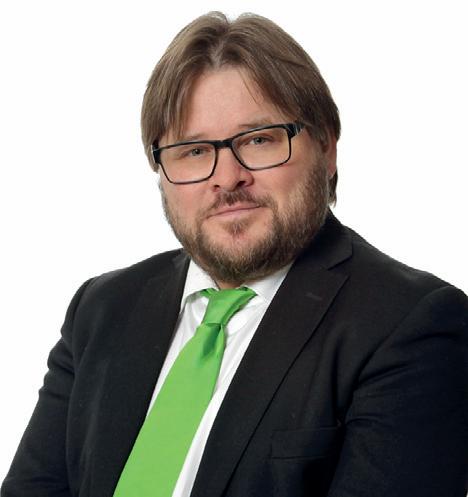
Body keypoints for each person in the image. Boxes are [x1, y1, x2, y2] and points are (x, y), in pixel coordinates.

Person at [2, 11, 467, 497]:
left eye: (259, 140)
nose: (227, 178)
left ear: (327, 148)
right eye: (194, 150)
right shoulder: (101, 308)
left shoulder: (411, 325)